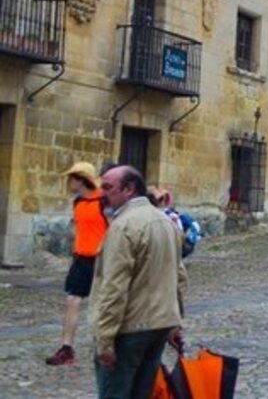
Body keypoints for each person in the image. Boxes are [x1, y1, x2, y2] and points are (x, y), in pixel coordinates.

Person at [93, 165, 187, 399]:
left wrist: (104, 340)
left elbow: (113, 288)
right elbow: (179, 276)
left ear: (129, 190)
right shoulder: (167, 222)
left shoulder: (123, 226)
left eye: (108, 187)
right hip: (159, 326)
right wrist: (175, 322)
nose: (102, 193)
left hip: (130, 328)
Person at [45, 161, 109, 367]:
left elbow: (115, 229)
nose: (68, 182)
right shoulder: (78, 202)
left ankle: (106, 348)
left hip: (102, 260)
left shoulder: (104, 201)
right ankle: (66, 349)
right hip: (81, 259)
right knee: (72, 300)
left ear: (81, 179)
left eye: (71, 178)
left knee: (102, 306)